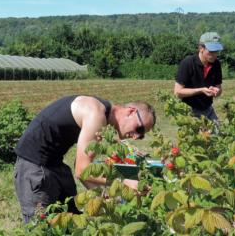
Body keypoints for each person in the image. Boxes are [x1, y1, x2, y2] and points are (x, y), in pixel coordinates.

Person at [14, 95, 156, 223]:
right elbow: (82, 170)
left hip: (55, 165)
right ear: (131, 112)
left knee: (72, 222)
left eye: (142, 135)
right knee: (41, 226)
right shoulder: (96, 114)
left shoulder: (102, 114)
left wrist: (102, 195)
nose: (137, 137)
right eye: (140, 129)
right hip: (34, 167)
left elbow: (82, 165)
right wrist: (124, 182)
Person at [174, 32, 223, 123]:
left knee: (219, 136)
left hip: (208, 109)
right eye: (211, 51)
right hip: (189, 111)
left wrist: (216, 91)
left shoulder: (216, 64)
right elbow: (177, 92)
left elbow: (219, 89)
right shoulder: (187, 63)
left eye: (216, 51)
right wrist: (200, 90)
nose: (215, 54)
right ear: (201, 48)